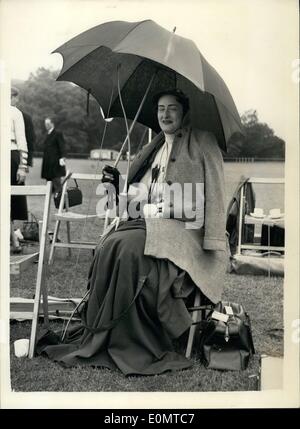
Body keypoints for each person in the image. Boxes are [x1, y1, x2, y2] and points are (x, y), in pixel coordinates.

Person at [37, 89, 228, 376]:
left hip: (186, 234)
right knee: (109, 244)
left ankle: (131, 339)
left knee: (128, 249)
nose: (165, 114)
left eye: (172, 108)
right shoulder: (153, 147)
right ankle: (102, 331)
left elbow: (207, 199)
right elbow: (134, 201)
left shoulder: (202, 142)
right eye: (161, 108)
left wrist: (164, 210)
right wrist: (115, 185)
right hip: (147, 225)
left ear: (184, 112)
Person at [10, 87, 29, 253]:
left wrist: (23, 166)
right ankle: (14, 240)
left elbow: (22, 140)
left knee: (11, 199)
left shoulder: (15, 112)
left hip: (11, 154)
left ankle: (15, 240)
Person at [41, 117, 67, 198]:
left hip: (55, 161)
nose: (46, 126)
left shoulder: (57, 133)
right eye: (45, 124)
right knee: (49, 179)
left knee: (56, 179)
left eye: (48, 124)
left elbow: (62, 146)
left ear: (52, 124)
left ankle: (59, 195)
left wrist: (63, 157)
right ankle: (50, 194)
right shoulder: (47, 134)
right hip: (48, 161)